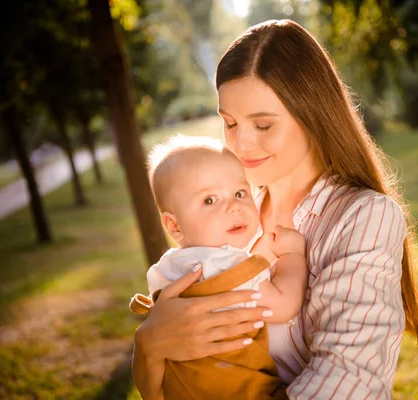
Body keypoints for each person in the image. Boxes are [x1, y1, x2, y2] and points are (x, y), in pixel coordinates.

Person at [132, 19, 418, 399]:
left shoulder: (364, 217)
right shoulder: (226, 224)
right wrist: (148, 347)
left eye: (262, 125)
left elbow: (349, 381)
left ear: (313, 115)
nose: (241, 144)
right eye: (229, 123)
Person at [129, 135, 308, 399]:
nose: (234, 206)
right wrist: (293, 254)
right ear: (174, 226)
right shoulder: (226, 266)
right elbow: (281, 305)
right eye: (210, 200)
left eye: (239, 193)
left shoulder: (167, 267)